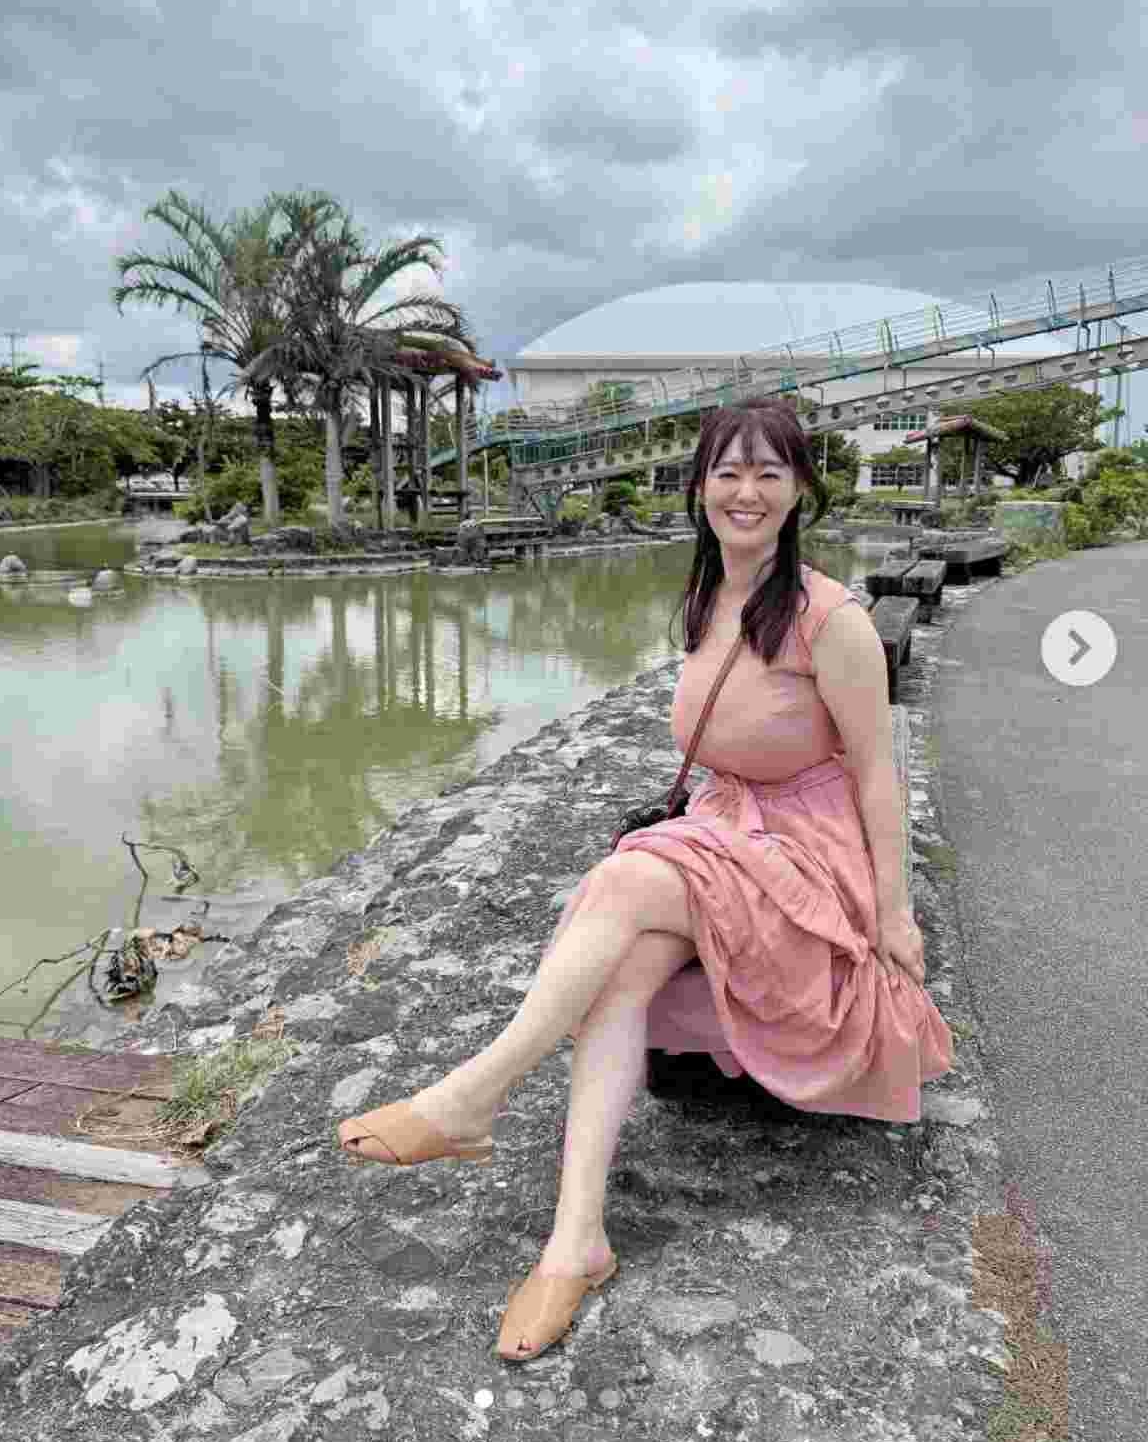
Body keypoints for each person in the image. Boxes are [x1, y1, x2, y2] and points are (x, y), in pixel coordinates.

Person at [337, 394, 954, 1360]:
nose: (746, 491)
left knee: (623, 884)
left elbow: (878, 774)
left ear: (800, 489)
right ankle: (576, 1242)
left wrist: (897, 914)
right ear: (699, 485)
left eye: (770, 472)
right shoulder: (707, 598)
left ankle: (473, 1095)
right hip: (726, 832)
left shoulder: (830, 620)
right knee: (620, 967)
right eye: (727, 471)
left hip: (806, 855)